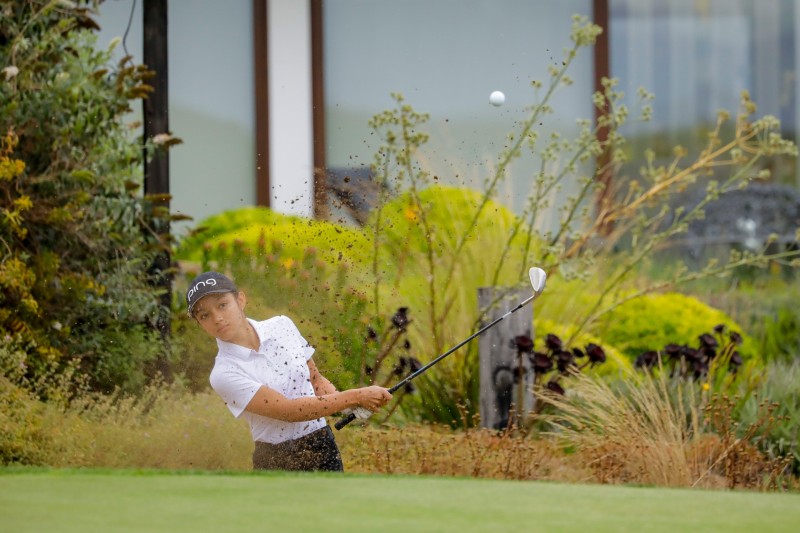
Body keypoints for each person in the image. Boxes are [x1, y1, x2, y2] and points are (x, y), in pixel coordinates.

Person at [186, 271, 392, 472]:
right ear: (200, 324)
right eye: (205, 315)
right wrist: (355, 396)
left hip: (323, 445)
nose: (217, 318)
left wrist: (349, 406)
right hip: (276, 459)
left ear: (240, 300)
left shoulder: (282, 325)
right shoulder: (223, 373)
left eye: (222, 305)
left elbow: (315, 380)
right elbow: (289, 411)